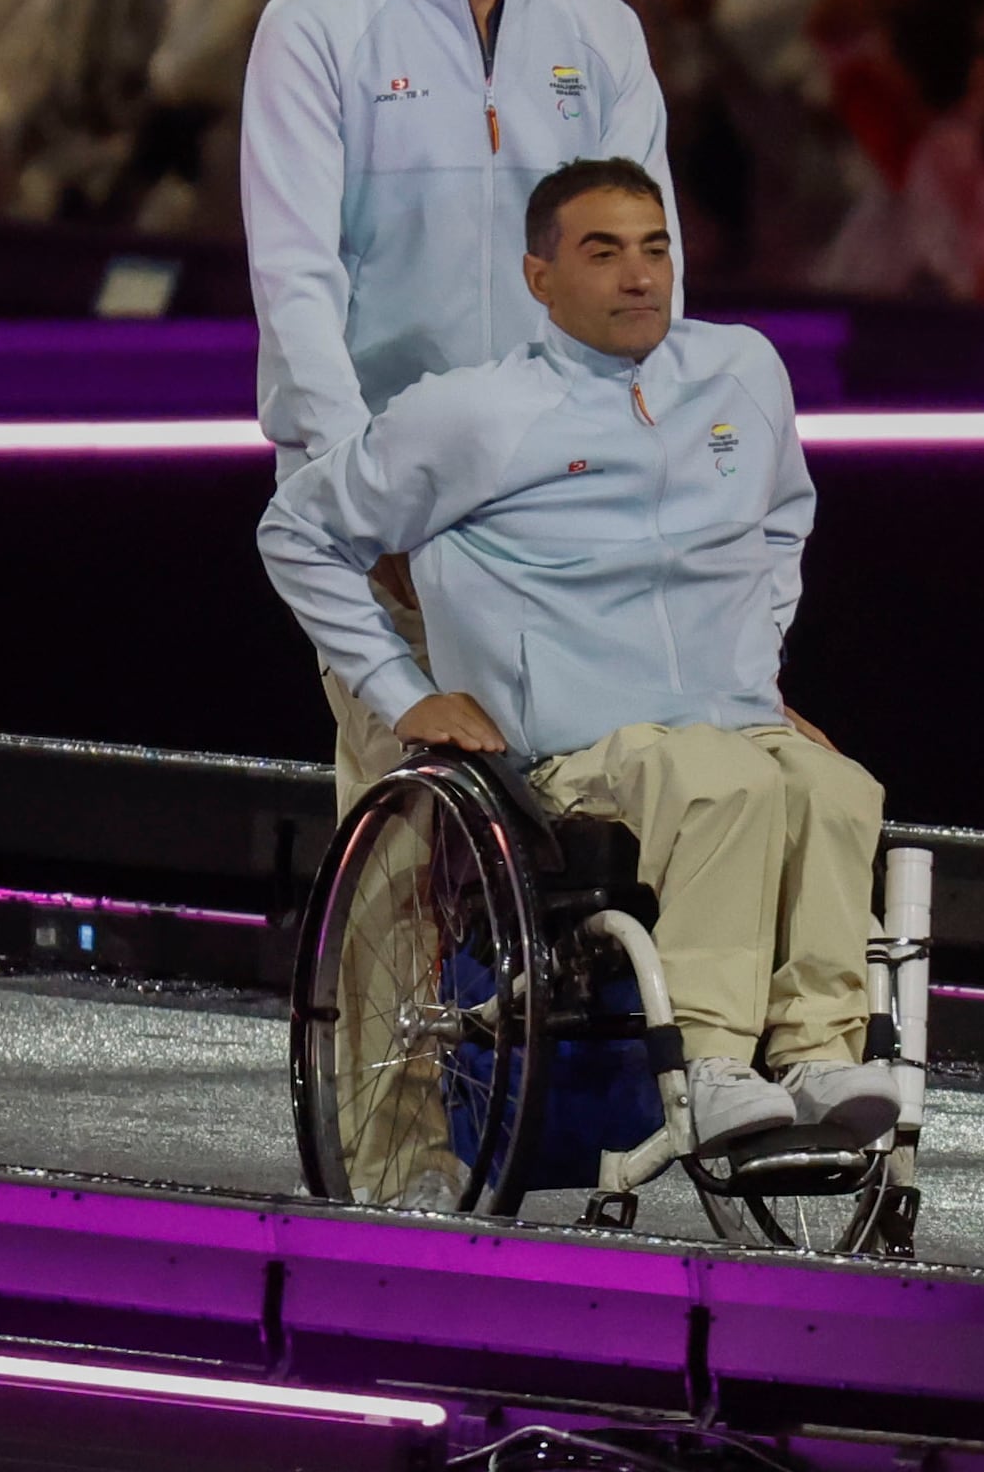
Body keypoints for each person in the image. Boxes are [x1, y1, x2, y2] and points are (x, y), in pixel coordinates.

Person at [258, 157, 893, 1199]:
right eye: (603, 253)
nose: (639, 276)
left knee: (833, 788)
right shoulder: (476, 414)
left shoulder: (741, 374)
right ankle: (711, 1061)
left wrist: (754, 658)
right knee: (721, 784)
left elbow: (783, 519)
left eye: (655, 250)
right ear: (539, 278)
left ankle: (819, 1054)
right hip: (572, 757)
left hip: (723, 726)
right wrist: (400, 688)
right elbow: (298, 531)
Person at [242, 0, 676, 805]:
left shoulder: (601, 33)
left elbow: (646, 284)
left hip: (555, 506)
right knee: (413, 814)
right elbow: (296, 282)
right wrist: (363, 497)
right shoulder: (315, 30)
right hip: (383, 500)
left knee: (578, 813)